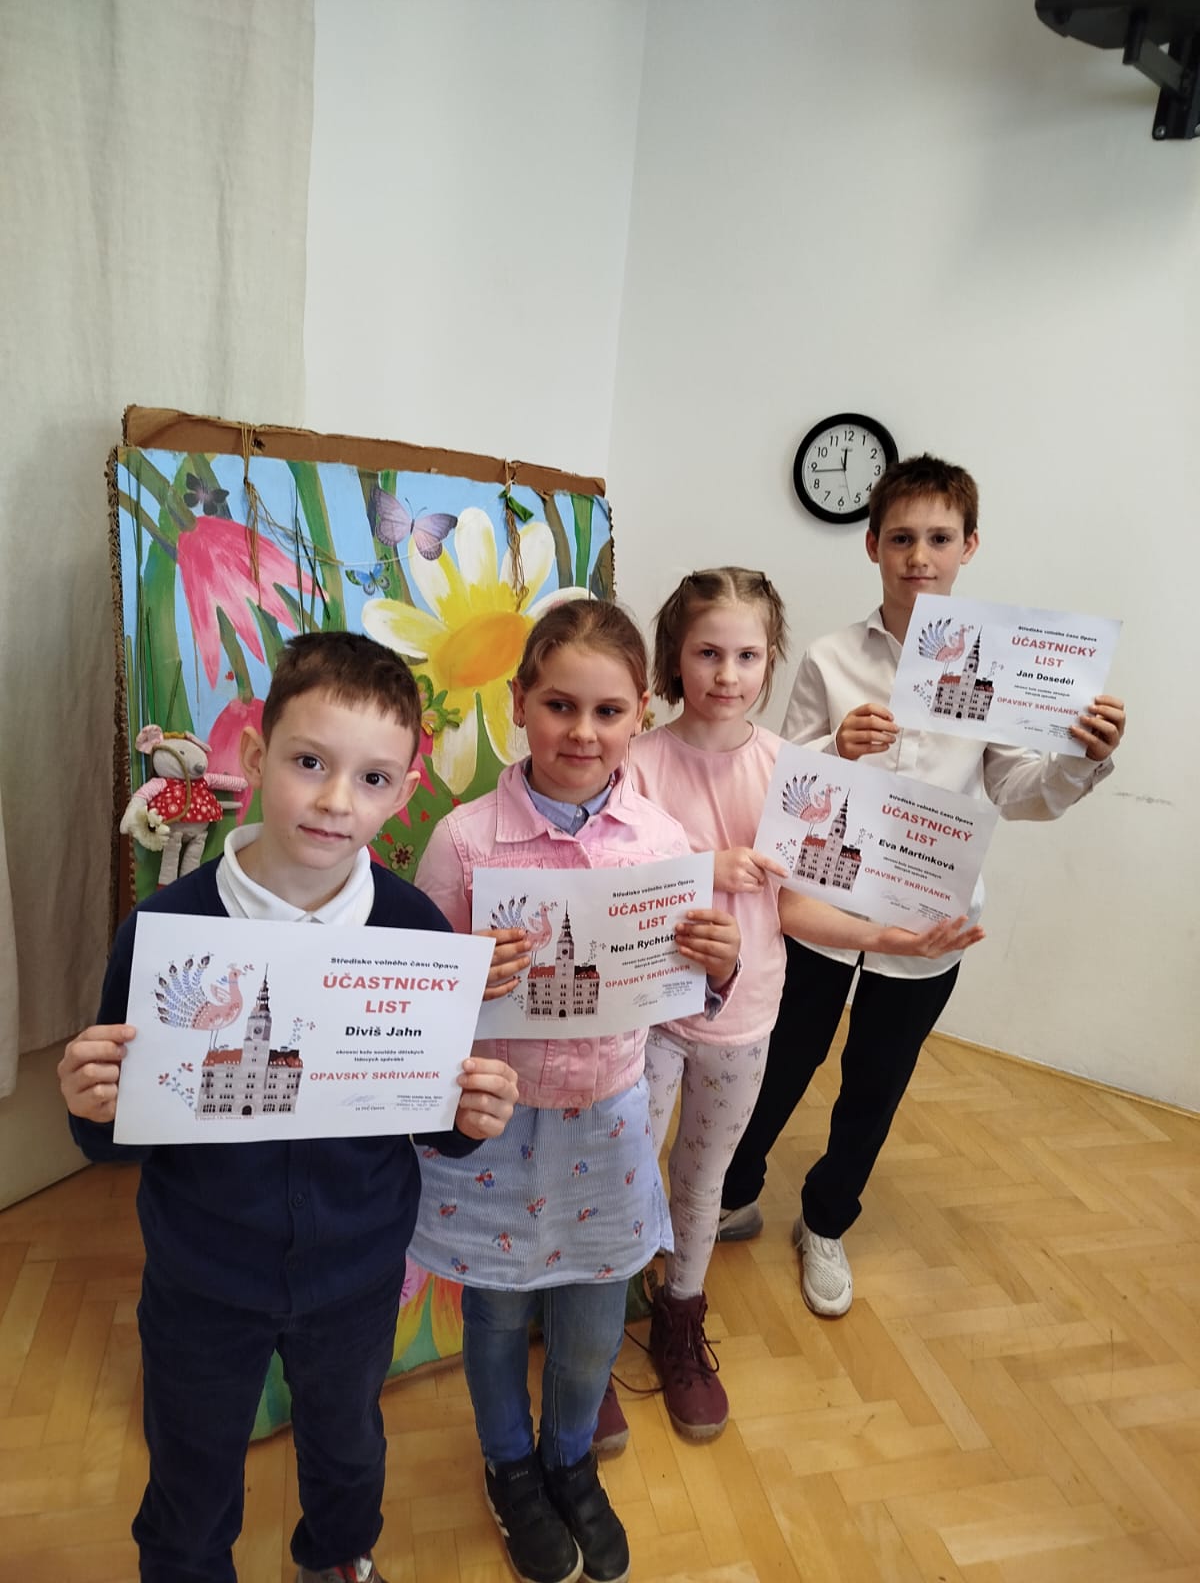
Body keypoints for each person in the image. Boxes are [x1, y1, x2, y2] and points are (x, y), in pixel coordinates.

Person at [57, 632, 520, 1583]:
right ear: (256, 755)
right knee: (191, 1470)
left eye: (373, 778)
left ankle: (338, 1557)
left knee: (347, 1448)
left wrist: (467, 1117)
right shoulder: (165, 927)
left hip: (356, 1269)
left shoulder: (415, 930)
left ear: (404, 791)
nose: (337, 800)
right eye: (310, 762)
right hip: (202, 1274)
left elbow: (428, 1114)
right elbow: (115, 1132)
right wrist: (89, 1103)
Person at [718, 454, 1127, 1322]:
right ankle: (734, 1191)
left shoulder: (1004, 668)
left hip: (929, 918)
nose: (919, 556)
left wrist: (1081, 760)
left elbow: (1017, 790)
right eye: (901, 538)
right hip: (823, 908)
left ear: (969, 546)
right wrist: (836, 748)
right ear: (871, 545)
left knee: (877, 1080)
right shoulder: (829, 658)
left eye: (940, 538)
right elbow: (780, 781)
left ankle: (826, 1221)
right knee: (780, 1059)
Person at [408, 598, 741, 1583]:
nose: (582, 732)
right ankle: (510, 1467)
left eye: (607, 711)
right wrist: (464, 972)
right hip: (494, 1124)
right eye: (559, 705)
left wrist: (717, 964)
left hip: (608, 1117)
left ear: (642, 713)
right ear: (519, 702)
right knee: (497, 1312)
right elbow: (414, 1001)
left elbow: (683, 991)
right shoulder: (465, 841)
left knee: (595, 1319)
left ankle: (567, 1462)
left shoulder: (661, 843)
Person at [626, 566, 983, 1442]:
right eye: (707, 652)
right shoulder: (637, 762)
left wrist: (892, 938)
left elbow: (790, 905)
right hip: (649, 1017)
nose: (728, 674)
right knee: (626, 1167)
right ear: (675, 656)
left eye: (748, 655)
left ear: (771, 659)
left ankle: (680, 1315)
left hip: (745, 1018)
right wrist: (701, 871)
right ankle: (597, 1325)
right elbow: (612, 889)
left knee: (703, 1180)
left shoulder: (790, 768)